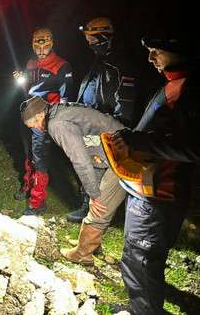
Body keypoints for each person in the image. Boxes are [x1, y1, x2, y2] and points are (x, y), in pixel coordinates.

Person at [112, 34, 200, 314]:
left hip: (160, 194)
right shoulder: (171, 83)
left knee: (142, 259)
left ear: (178, 50)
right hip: (145, 187)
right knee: (136, 256)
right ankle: (141, 307)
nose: (150, 57)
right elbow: (161, 132)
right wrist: (133, 138)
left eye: (156, 50)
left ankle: (144, 311)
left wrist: (140, 142)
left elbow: (197, 148)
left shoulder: (191, 91)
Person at [20, 96, 127, 265]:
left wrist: (94, 195)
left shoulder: (57, 124)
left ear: (40, 115)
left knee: (100, 206)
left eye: (34, 125)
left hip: (122, 156)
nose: (37, 129)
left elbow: (80, 160)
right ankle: (94, 245)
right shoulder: (58, 111)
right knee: (97, 198)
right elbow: (90, 144)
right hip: (110, 152)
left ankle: (83, 253)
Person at [68, 17, 138, 223]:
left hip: (106, 124)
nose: (88, 42)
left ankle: (93, 210)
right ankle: (88, 205)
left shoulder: (119, 64)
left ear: (103, 36)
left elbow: (125, 100)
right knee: (88, 162)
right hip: (91, 120)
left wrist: (115, 128)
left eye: (91, 38)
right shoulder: (100, 59)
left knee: (98, 166)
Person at [12, 27, 75, 215]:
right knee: (29, 153)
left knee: (40, 158)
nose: (40, 51)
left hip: (44, 120)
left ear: (51, 44)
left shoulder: (62, 66)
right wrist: (21, 78)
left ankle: (37, 201)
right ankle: (28, 185)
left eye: (44, 47)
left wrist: (53, 121)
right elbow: (28, 88)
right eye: (37, 47)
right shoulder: (31, 63)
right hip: (28, 115)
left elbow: (67, 99)